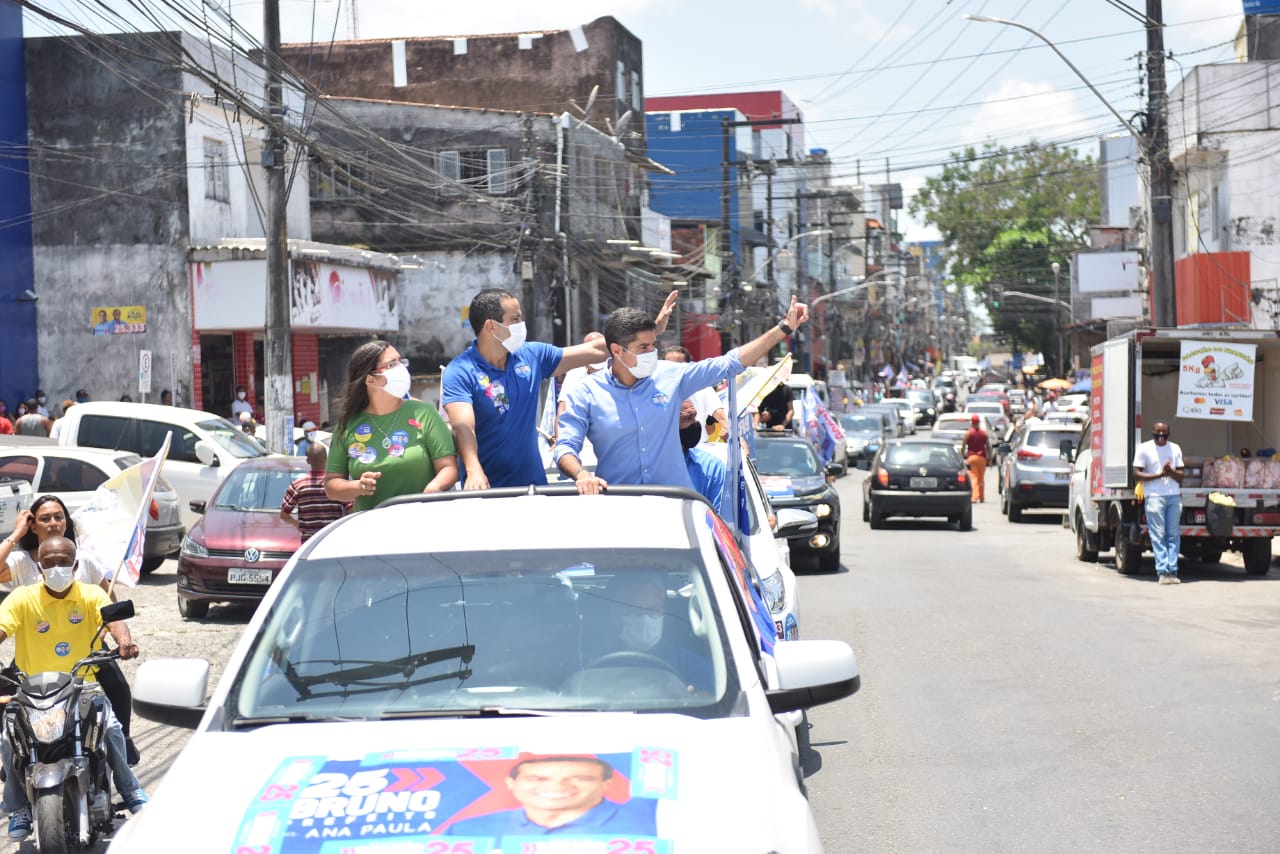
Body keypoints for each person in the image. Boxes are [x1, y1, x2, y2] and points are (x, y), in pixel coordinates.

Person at [556, 295, 810, 495]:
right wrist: (581, 475)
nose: (651, 353)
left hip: (675, 507)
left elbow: (729, 362)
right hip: (618, 505)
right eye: (643, 347)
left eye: (653, 345)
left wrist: (783, 328)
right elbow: (565, 447)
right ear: (617, 351)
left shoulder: (672, 375)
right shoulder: (586, 392)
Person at [0, 537, 148, 839]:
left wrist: (124, 642)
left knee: (111, 729)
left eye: (63, 562)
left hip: (83, 686)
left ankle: (130, 789)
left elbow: (114, 622)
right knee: (7, 735)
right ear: (40, 567)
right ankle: (18, 807)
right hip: (32, 691)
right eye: (50, 562)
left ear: (75, 564)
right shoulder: (22, 598)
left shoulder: (92, 594)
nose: (56, 568)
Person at [0, 496, 138, 762]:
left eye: (58, 517)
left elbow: (109, 605)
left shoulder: (84, 560)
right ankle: (16, 768)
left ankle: (124, 750)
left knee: (115, 700)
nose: (53, 523)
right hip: (36, 652)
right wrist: (17, 532)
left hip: (83, 654)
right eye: (45, 518)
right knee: (10, 721)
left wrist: (120, 637)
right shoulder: (20, 564)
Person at [442, 289, 616, 489]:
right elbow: (463, 426)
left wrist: (640, 333)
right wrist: (474, 471)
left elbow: (594, 350)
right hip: (486, 490)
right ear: (491, 326)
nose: (521, 326)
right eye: (515, 319)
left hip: (533, 489)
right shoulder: (460, 370)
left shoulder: (531, 356)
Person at [324, 340, 458, 510]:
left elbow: (449, 467)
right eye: (392, 364)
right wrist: (358, 486)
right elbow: (331, 485)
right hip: (372, 528)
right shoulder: (347, 424)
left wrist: (432, 490)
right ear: (371, 379)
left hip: (423, 521)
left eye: (401, 362)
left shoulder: (424, 413)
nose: (401, 368)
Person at [445, 754, 656, 839]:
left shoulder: (651, 818)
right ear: (511, 784)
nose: (557, 786)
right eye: (537, 778)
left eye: (579, 778)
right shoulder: (467, 829)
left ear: (606, 784)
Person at [1134, 420, 1185, 584]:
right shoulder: (1144, 449)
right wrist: (1160, 475)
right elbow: (1137, 474)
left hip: (1174, 495)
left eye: (1164, 433)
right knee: (1158, 535)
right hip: (1154, 496)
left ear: (1169, 433)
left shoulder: (1175, 448)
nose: (1161, 436)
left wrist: (1171, 472)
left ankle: (1173, 571)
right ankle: (1163, 571)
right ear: (1153, 432)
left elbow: (1181, 475)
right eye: (1158, 433)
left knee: (1173, 535)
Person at [281, 444, 349, 542]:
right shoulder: (336, 484)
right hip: (333, 540)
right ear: (327, 459)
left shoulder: (297, 486)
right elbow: (352, 510)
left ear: (307, 460)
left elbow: (284, 515)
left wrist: (298, 524)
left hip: (309, 543)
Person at [662, 345, 727, 442]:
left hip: (698, 449)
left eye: (677, 365)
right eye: (669, 365)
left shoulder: (703, 388)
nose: (673, 369)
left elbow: (721, 416)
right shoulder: (656, 391)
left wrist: (730, 431)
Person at [961, 414, 990, 503]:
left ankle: (974, 497)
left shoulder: (969, 433)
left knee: (973, 477)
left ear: (972, 422)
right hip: (982, 458)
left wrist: (962, 456)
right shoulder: (984, 433)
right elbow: (988, 446)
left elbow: (963, 445)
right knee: (981, 478)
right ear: (978, 422)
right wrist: (989, 458)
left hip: (972, 457)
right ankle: (981, 497)